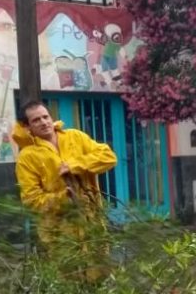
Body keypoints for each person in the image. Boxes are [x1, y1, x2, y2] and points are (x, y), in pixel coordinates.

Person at [13, 100, 118, 247]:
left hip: (92, 223)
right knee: (68, 269)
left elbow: (109, 157)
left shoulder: (75, 137)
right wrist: (63, 198)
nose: (43, 122)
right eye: (36, 120)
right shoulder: (27, 157)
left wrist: (75, 165)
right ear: (27, 126)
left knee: (99, 267)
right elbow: (32, 201)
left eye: (45, 117)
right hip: (59, 233)